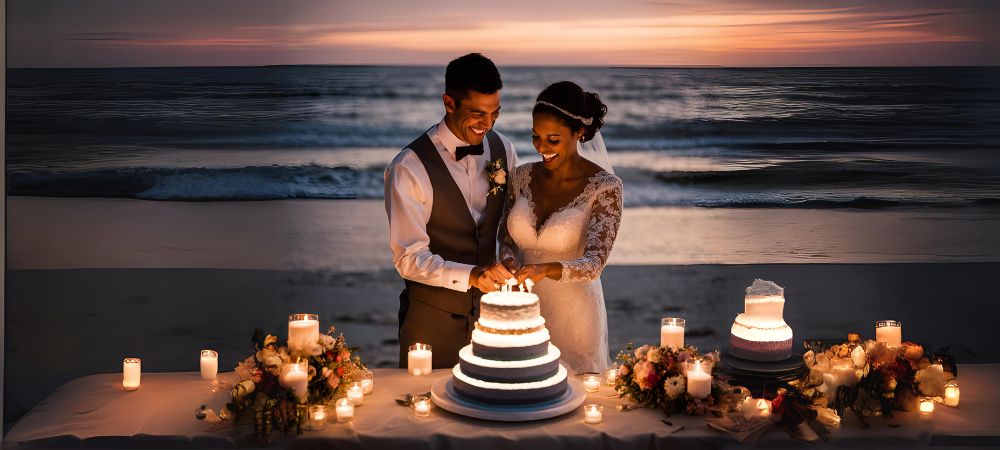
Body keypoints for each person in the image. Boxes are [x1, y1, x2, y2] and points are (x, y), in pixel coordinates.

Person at [384, 53, 518, 369]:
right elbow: (408, 258)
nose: (487, 125)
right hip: (431, 326)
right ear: (448, 103)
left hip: (492, 321)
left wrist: (509, 259)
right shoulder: (409, 167)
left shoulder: (504, 150)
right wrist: (472, 275)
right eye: (476, 114)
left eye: (494, 114)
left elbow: (509, 224)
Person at [495, 81, 622, 374]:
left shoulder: (605, 187)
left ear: (579, 133)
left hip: (575, 315)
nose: (541, 148)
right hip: (523, 310)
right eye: (535, 137)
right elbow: (506, 236)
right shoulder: (521, 176)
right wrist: (510, 260)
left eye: (552, 140)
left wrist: (544, 270)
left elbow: (594, 264)